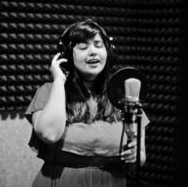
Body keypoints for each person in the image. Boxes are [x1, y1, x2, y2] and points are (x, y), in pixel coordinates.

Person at [24, 19, 149, 187]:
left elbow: (140, 156)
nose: (93, 52)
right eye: (83, 47)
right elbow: (49, 134)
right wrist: (59, 81)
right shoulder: (49, 91)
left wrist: (136, 156)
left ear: (109, 52)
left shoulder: (124, 94)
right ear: (67, 55)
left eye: (98, 45)